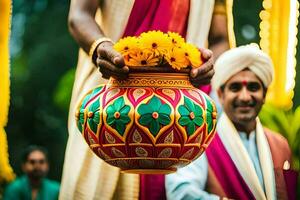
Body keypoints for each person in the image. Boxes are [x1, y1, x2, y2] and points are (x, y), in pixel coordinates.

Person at [60, 0, 230, 199]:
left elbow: (220, 39)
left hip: (182, 113)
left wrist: (206, 64)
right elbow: (79, 15)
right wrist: (101, 47)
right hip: (112, 100)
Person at [166, 44, 297, 200]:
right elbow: (180, 193)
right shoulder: (198, 141)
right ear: (221, 94)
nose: (245, 97)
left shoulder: (279, 144)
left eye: (253, 87)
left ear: (264, 95)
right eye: (235, 88)